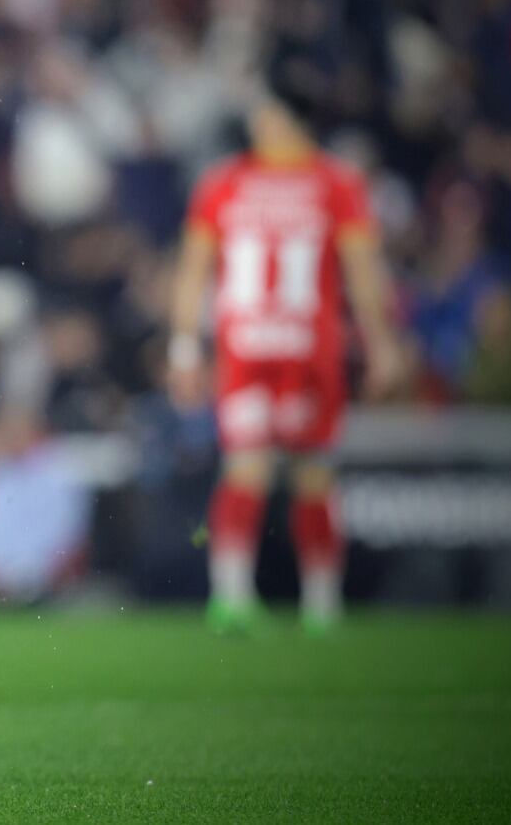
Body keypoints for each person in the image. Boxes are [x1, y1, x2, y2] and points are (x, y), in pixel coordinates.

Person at [169, 64, 404, 636]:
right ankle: (316, 606)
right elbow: (363, 273)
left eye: (262, 107)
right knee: (306, 473)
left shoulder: (224, 183)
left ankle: (236, 597)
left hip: (251, 346)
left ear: (282, 114)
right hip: (305, 348)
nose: (254, 118)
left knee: (260, 469)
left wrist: (183, 348)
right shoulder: (337, 183)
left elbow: (193, 273)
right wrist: (383, 344)